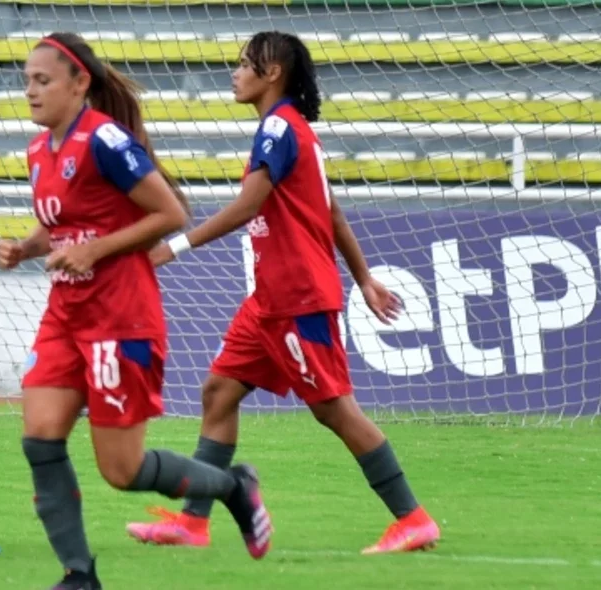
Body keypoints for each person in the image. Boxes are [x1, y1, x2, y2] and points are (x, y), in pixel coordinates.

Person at [129, 30, 441, 555]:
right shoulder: (292, 130)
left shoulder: (278, 128)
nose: (235, 73)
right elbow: (331, 212)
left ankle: (413, 518)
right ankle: (193, 522)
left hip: (297, 297)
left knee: (334, 410)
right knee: (218, 392)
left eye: (244, 63)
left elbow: (249, 206)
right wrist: (364, 278)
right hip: (268, 301)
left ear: (272, 73)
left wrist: (172, 247)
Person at [0, 32, 272, 590]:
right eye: (27, 81)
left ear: (80, 84)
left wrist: (94, 251)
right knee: (39, 437)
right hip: (65, 315)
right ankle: (78, 575)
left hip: (119, 317)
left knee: (122, 470)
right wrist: (27, 247)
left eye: (43, 80)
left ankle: (233, 486)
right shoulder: (38, 150)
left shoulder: (105, 140)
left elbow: (170, 213)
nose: (30, 91)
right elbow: (63, 220)